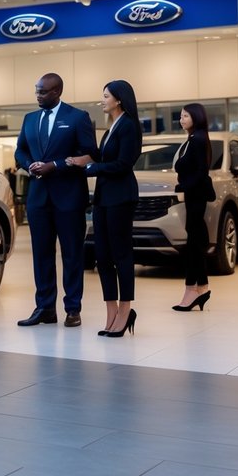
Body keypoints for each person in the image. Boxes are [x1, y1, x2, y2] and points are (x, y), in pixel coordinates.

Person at [14, 73, 98, 328]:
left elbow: (90, 153)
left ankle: (73, 309)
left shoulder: (77, 117)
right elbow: (20, 150)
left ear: (57, 92)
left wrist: (56, 165)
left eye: (43, 91)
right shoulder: (30, 119)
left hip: (69, 197)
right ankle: (45, 308)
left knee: (72, 255)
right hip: (38, 198)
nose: (38, 96)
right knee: (41, 255)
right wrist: (30, 165)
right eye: (36, 90)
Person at [67, 79, 142, 337]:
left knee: (121, 254)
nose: (103, 100)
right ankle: (111, 310)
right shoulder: (111, 127)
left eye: (106, 96)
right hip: (103, 197)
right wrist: (81, 161)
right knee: (103, 256)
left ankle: (125, 309)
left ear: (119, 99)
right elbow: (103, 157)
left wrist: (92, 168)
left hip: (121, 197)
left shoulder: (129, 125)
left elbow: (123, 164)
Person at [172, 103, 213, 312]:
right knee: (196, 242)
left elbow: (200, 172)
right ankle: (201, 287)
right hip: (194, 196)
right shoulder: (196, 137)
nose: (182, 120)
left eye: (186, 116)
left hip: (195, 196)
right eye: (181, 116)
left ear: (196, 117)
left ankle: (192, 290)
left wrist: (184, 185)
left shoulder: (197, 139)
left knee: (194, 245)